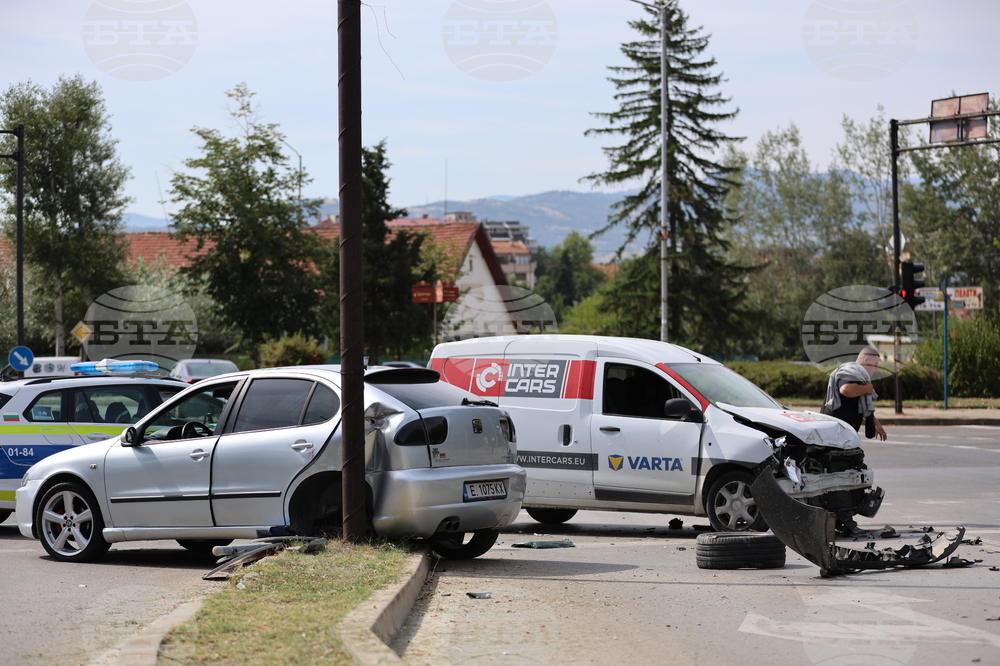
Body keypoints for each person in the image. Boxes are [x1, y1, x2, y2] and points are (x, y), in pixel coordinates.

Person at [821, 347, 887, 441]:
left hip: (840, 434)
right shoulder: (852, 371)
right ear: (866, 360)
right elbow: (845, 389)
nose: (876, 368)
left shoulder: (858, 375)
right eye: (875, 364)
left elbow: (860, 406)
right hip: (834, 433)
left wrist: (877, 424)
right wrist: (867, 388)